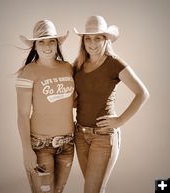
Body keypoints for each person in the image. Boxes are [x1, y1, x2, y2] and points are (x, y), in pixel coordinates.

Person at [73, 15, 150, 193]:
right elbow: (80, 99)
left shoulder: (113, 63)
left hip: (103, 137)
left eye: (98, 38)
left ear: (106, 39)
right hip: (80, 136)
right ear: (83, 41)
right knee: (94, 189)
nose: (92, 43)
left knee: (91, 190)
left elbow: (142, 93)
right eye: (88, 38)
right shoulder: (78, 65)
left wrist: (120, 120)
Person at [16, 19, 74, 193]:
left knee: (58, 190)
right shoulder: (28, 72)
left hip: (68, 144)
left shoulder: (68, 68)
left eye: (51, 41)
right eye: (41, 41)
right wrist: (27, 150)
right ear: (34, 45)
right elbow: (22, 115)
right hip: (41, 146)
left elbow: (73, 100)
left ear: (57, 44)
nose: (47, 45)